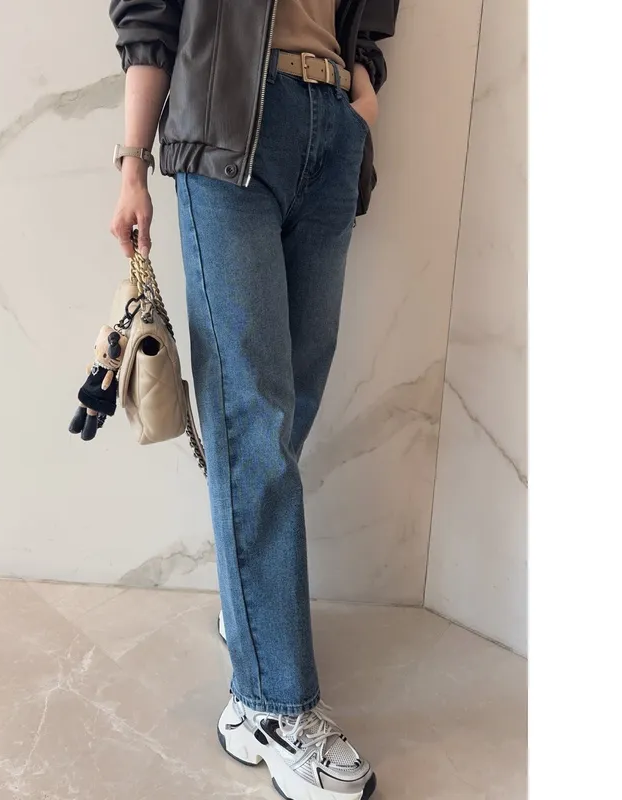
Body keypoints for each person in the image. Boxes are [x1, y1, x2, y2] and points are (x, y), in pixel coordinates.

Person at [108, 2, 399, 798]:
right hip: (228, 123)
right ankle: (273, 704)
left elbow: (372, 17)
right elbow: (150, 14)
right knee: (253, 419)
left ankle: (251, 618)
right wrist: (132, 163)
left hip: (332, 129)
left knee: (290, 406)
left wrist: (361, 91)